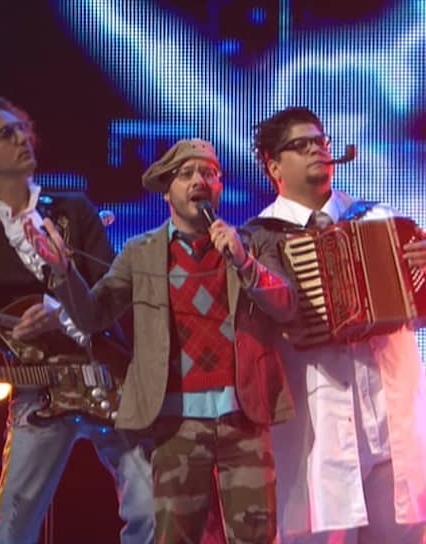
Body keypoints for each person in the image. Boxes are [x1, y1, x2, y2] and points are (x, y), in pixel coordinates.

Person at [24, 138, 298, 544]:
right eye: (186, 174)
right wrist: (64, 273)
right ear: (167, 191)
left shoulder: (249, 242)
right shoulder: (141, 252)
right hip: (175, 421)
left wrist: (244, 262)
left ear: (220, 187)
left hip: (243, 414)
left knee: (257, 537)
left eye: (209, 173)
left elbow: (286, 305)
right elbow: (93, 316)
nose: (199, 180)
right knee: (174, 537)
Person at [0, 97, 154, 544]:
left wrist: (61, 311)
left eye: (21, 129)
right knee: (14, 522)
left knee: (152, 508)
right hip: (40, 389)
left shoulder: (74, 210)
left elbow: (112, 291)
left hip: (109, 375)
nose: (22, 139)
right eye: (5, 134)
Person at [250, 107, 426, 544]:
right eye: (301, 145)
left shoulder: (380, 218)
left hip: (390, 419)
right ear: (274, 166)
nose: (316, 151)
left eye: (320, 142)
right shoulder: (257, 239)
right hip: (316, 428)